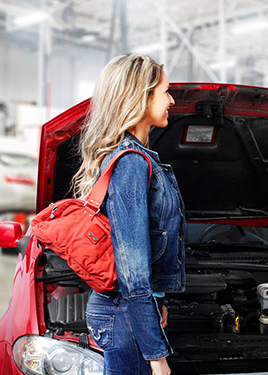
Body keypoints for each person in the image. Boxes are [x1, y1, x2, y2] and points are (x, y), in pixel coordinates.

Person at [73, 54, 185, 375]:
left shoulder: (134, 156)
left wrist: (158, 300)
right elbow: (133, 270)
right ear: (141, 95)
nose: (172, 99)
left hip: (128, 312)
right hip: (124, 314)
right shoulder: (131, 163)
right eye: (165, 91)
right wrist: (156, 354)